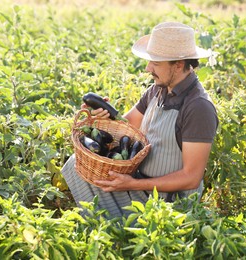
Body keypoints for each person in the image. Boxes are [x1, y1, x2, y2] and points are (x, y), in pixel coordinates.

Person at [61, 21, 218, 218]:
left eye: (156, 63)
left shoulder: (198, 108)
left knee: (100, 204)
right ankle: (108, 232)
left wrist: (132, 184)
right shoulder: (157, 90)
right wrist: (101, 120)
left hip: (166, 202)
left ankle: (115, 237)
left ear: (178, 65)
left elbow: (191, 178)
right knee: (76, 166)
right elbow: (127, 127)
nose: (147, 68)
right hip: (139, 185)